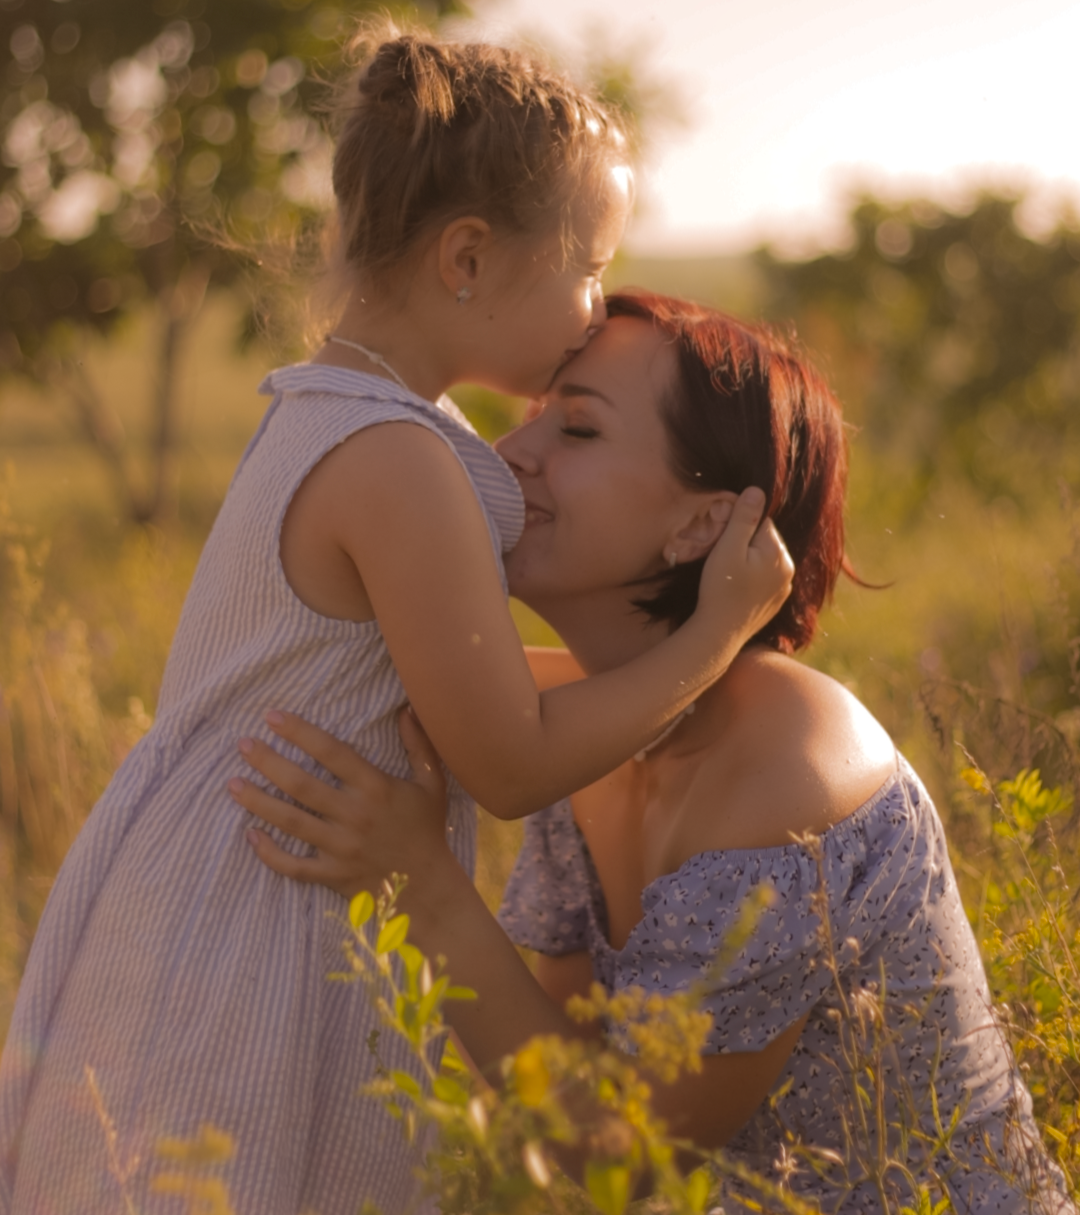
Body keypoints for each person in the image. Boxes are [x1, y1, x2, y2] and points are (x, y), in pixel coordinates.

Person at [0, 35, 794, 1215]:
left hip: (221, 873)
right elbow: (511, 759)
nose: (591, 309)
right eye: (587, 264)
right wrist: (712, 641)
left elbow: (421, 674)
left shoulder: (332, 414)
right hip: (260, 902)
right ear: (467, 258)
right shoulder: (404, 462)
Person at [231, 292, 1073, 1215]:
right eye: (531, 418)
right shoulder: (577, 728)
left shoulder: (787, 766)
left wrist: (420, 886)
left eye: (579, 430)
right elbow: (547, 1078)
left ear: (702, 527)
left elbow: (628, 1164)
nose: (511, 455)